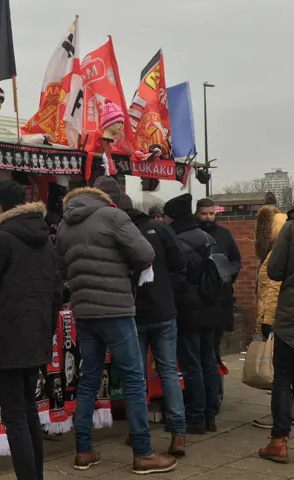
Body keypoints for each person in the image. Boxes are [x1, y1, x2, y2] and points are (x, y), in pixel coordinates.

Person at [55, 177, 176, 474]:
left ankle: (83, 451)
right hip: (116, 310)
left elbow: (61, 267)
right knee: (135, 380)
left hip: (84, 311)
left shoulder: (65, 224)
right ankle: (143, 453)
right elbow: (146, 253)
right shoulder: (113, 215)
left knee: (88, 381)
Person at [0, 180, 62, 480]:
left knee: (16, 416)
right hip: (37, 333)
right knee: (28, 409)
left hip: (9, 335)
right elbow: (56, 290)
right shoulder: (44, 237)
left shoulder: (2, 238)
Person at [121, 194, 188, 456]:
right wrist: (166, 290)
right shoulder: (159, 228)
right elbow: (180, 263)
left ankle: (138, 432)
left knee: (135, 377)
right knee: (169, 372)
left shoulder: (120, 234)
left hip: (133, 314)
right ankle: (179, 434)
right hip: (163, 311)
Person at [163, 193, 221, 435]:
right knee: (209, 362)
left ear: (174, 216)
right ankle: (210, 414)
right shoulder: (207, 237)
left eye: (166, 215)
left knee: (192, 365)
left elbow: (174, 279)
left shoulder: (175, 240)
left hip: (188, 310)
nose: (164, 220)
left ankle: (195, 416)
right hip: (211, 307)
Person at [251, 206, 294, 429]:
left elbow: (275, 272)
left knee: (282, 376)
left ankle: (279, 439)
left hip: (291, 315)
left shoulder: (291, 228)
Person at [195, 198, 241, 364]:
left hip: (221, 295)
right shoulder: (192, 234)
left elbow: (236, 260)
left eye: (211, 214)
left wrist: (227, 275)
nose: (208, 217)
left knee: (215, 345)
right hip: (198, 298)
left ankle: (217, 388)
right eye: (204, 214)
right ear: (197, 213)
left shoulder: (224, 234)